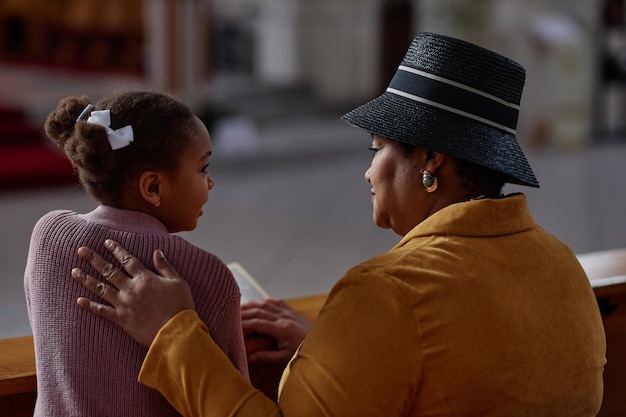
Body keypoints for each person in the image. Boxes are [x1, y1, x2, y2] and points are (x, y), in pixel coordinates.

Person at [70, 33, 606, 416]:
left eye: (377, 151)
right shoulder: (561, 266)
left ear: (430, 161)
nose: (368, 171)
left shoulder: (386, 294)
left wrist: (173, 333)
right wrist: (333, 350)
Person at [24, 90, 248, 417]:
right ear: (153, 187)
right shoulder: (207, 276)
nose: (210, 182)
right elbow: (232, 403)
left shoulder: (49, 235)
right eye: (203, 168)